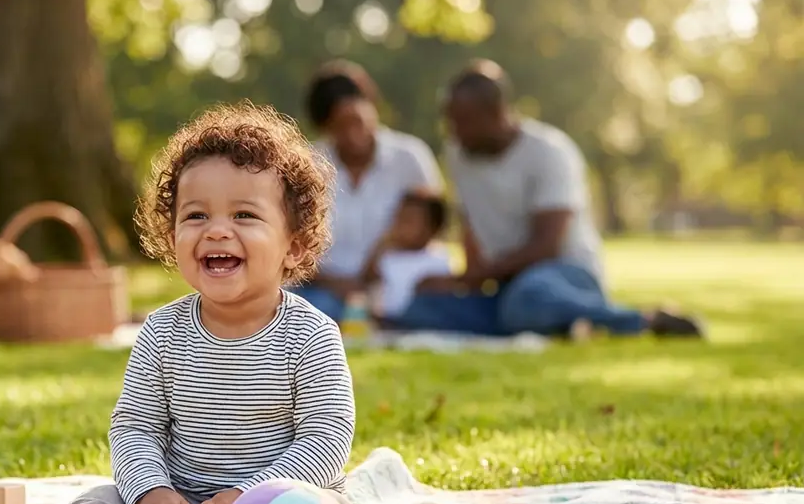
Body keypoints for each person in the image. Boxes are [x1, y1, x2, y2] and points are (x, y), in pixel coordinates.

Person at [46, 102, 358, 504]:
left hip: (275, 501)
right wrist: (149, 491)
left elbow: (326, 436)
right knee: (101, 502)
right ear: (171, 236)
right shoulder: (162, 332)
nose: (216, 230)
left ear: (292, 245)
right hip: (179, 498)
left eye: (244, 215)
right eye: (195, 215)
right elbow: (135, 426)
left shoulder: (311, 335)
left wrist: (249, 497)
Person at [392, 60, 704, 339]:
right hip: (504, 284)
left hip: (565, 275)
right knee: (419, 309)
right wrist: (461, 286)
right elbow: (470, 228)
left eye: (463, 122)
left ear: (496, 113)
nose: (455, 132)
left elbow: (547, 246)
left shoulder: (550, 153)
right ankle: (562, 324)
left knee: (527, 297)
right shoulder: (459, 157)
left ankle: (642, 320)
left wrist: (469, 278)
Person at [290, 60, 445, 322]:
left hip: (395, 284)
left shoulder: (409, 157)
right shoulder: (309, 165)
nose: (353, 136)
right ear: (325, 128)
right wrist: (336, 284)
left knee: (420, 310)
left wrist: (385, 258)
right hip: (324, 290)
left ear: (373, 108)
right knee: (315, 313)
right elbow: (291, 242)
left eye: (358, 122)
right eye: (340, 127)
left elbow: (433, 226)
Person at [360, 189, 453, 324]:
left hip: (422, 318)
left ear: (433, 228)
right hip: (385, 318)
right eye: (398, 218)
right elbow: (367, 278)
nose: (399, 226)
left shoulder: (438, 258)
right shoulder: (388, 256)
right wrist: (380, 247)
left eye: (408, 220)